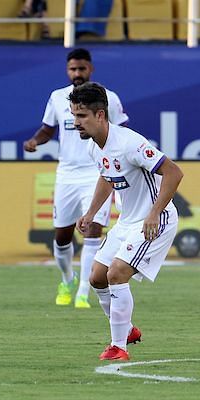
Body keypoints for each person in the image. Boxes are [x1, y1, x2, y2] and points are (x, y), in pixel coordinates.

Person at [73, 82, 183, 361]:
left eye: (82, 116)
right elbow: (106, 178)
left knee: (116, 274)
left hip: (156, 220)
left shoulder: (130, 143)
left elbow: (173, 172)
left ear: (100, 115)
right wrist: (90, 212)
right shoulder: (94, 148)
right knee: (97, 278)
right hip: (127, 221)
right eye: (74, 115)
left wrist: (154, 213)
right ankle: (128, 329)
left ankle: (118, 346)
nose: (76, 123)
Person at [23, 48, 129, 309]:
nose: (77, 73)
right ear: (67, 71)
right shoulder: (58, 98)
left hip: (97, 172)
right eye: (73, 69)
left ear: (90, 69)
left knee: (93, 230)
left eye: (82, 68)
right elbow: (48, 129)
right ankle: (67, 279)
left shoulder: (109, 98)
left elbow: (122, 130)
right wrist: (35, 141)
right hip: (67, 175)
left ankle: (83, 291)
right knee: (62, 237)